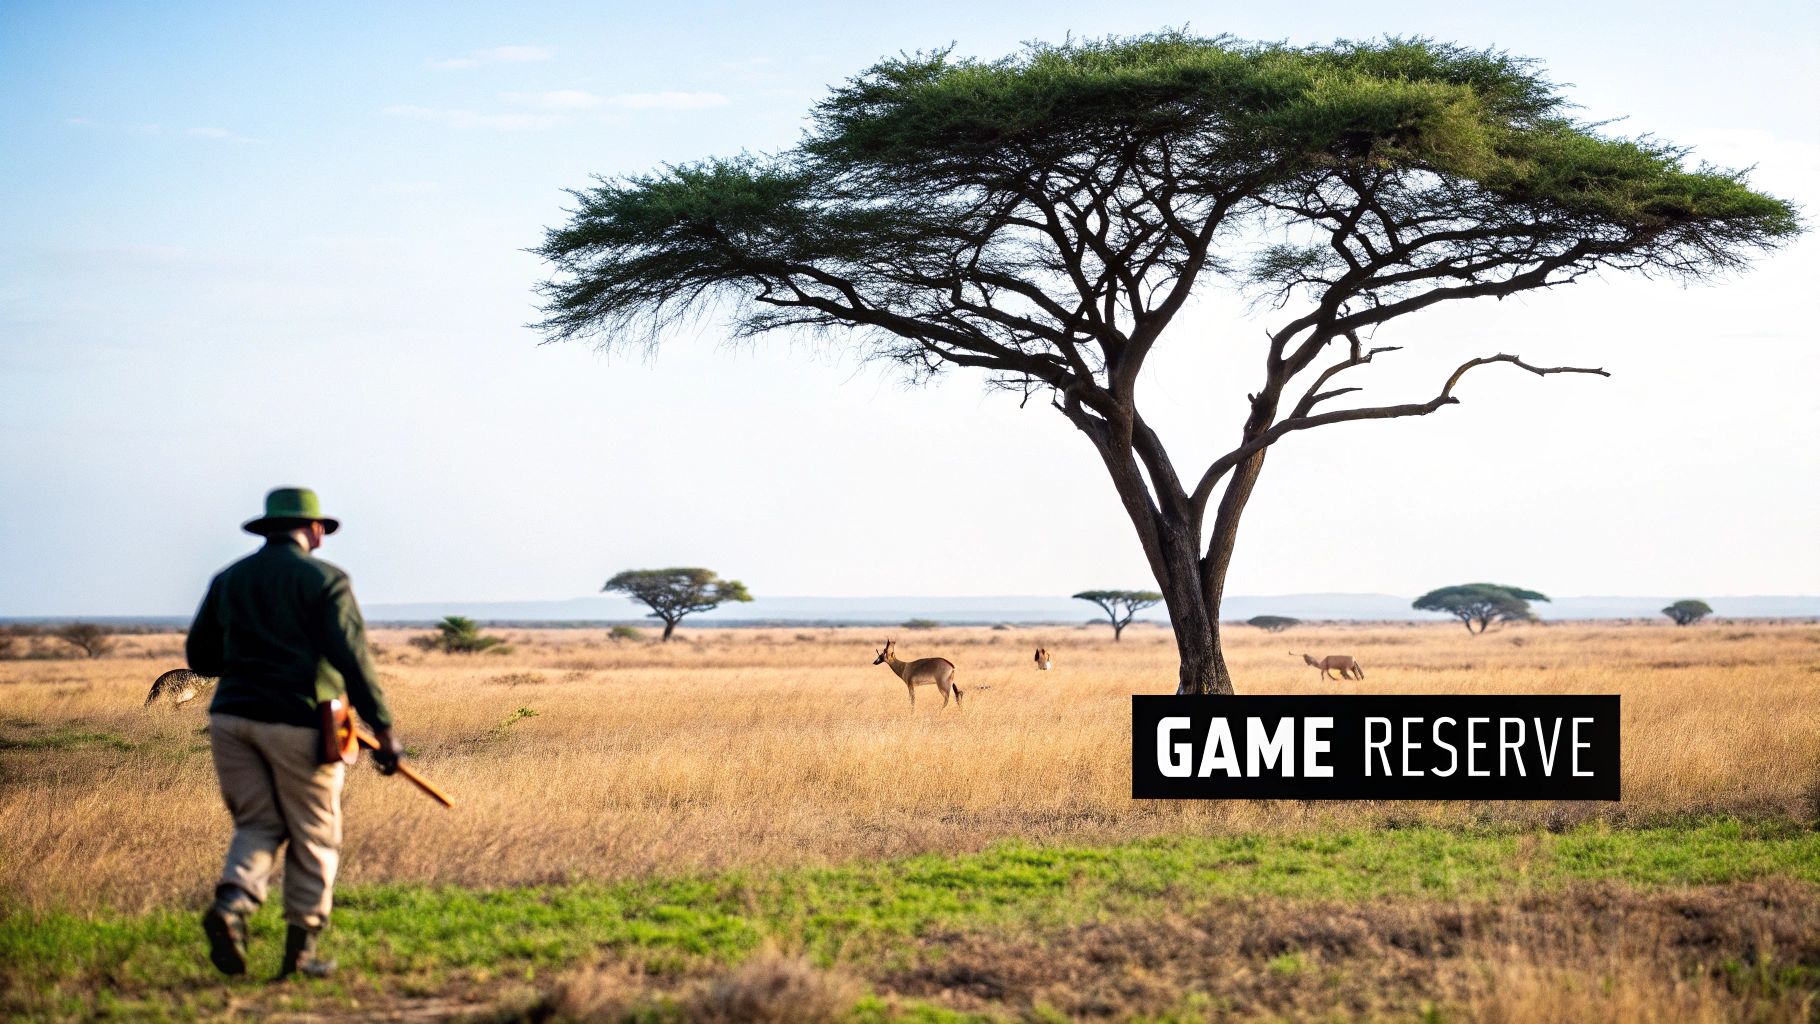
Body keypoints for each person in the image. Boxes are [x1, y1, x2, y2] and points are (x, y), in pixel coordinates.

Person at [185, 487, 404, 980]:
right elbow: (354, 658)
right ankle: (299, 954)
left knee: (258, 823)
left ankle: (232, 906)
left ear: (269, 528)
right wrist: (384, 729)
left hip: (231, 720)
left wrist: (249, 659)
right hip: (301, 721)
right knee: (315, 833)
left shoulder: (230, 578)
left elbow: (200, 657)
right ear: (313, 529)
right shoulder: (325, 579)